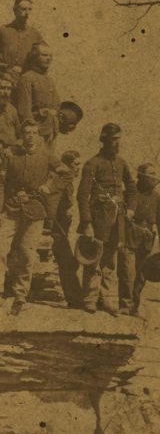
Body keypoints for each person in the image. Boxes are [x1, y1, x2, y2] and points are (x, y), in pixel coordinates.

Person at [0, 119, 68, 314]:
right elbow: (0, 183)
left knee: (27, 253)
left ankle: (20, 294)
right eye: (26, 133)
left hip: (35, 210)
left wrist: (49, 187)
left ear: (38, 136)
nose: (30, 136)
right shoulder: (10, 155)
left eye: (33, 133)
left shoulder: (47, 156)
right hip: (12, 208)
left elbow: (67, 174)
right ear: (21, 136)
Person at [76, 123, 137, 315]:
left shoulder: (121, 163)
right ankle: (90, 299)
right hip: (98, 219)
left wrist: (131, 209)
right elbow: (82, 195)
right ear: (104, 140)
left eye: (118, 139)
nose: (116, 143)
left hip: (117, 220)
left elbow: (132, 188)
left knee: (110, 262)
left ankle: (105, 298)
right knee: (94, 259)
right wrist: (87, 223)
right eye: (113, 140)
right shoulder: (92, 164)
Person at [119, 163, 160, 316]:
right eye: (150, 174)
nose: (154, 177)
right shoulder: (130, 193)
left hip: (147, 240)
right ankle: (125, 305)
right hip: (129, 238)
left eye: (155, 173)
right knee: (127, 272)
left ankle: (134, 306)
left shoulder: (157, 197)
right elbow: (121, 218)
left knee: (142, 275)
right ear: (141, 176)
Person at [48, 150, 83, 308]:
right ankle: (75, 298)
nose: (78, 168)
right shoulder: (61, 182)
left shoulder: (68, 183)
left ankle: (75, 298)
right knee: (67, 262)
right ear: (68, 165)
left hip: (62, 227)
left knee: (68, 262)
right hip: (57, 227)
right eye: (76, 164)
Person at [0, 0, 43, 81]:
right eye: (23, 9)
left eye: (30, 9)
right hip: (3, 78)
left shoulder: (35, 34)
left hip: (25, 79)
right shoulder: (2, 30)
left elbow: (43, 58)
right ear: (15, 10)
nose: (27, 13)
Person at [16, 42, 60, 148]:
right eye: (44, 55)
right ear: (34, 57)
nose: (48, 59)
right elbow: (24, 112)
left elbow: (57, 104)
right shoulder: (26, 78)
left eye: (50, 56)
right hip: (36, 134)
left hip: (51, 132)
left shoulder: (49, 80)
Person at [0, 73, 21, 150]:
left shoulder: (13, 110)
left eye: (9, 89)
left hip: (10, 152)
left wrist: (12, 148)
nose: (6, 92)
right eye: (2, 88)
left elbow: (20, 137)